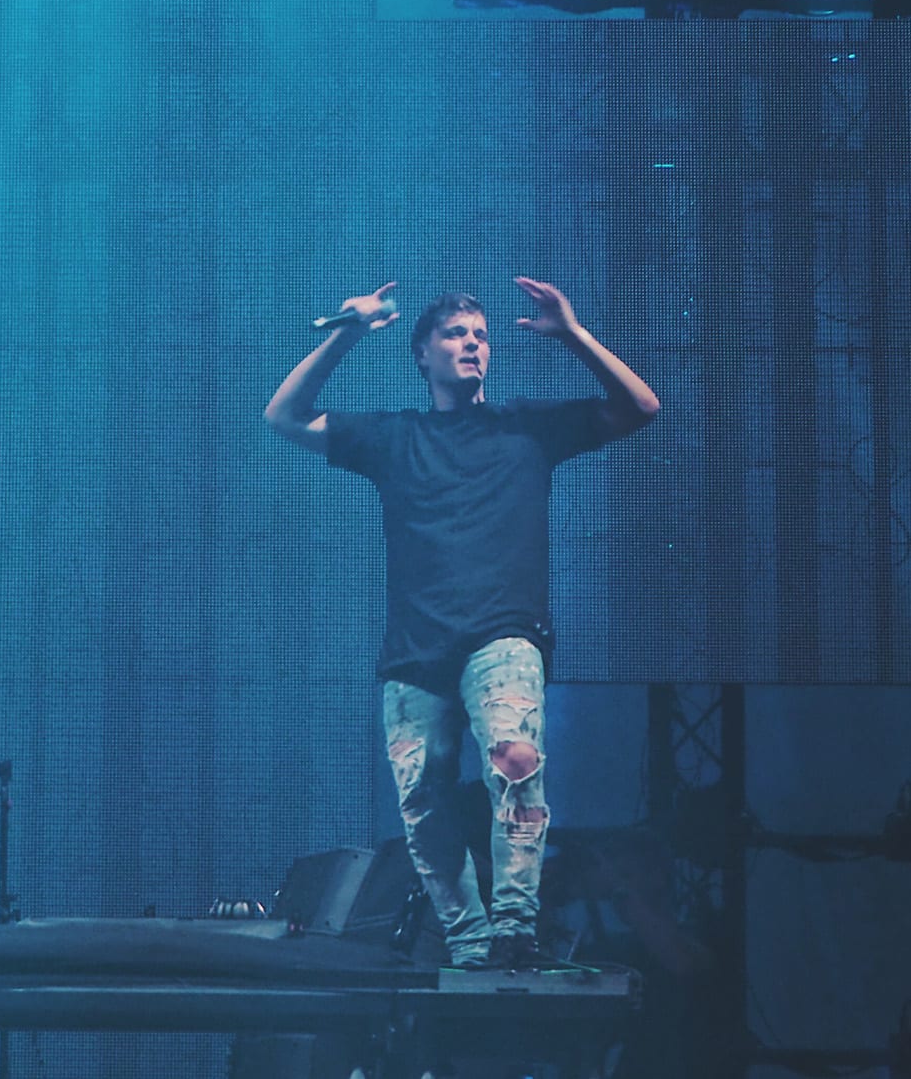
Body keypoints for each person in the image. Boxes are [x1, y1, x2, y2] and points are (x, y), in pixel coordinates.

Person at [264, 278, 659, 968]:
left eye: (481, 335)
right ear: (423, 354)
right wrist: (348, 332)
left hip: (503, 633)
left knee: (514, 763)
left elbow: (641, 407)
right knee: (422, 802)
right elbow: (284, 416)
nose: (473, 343)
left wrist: (572, 334)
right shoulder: (395, 436)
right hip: (415, 650)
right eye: (456, 334)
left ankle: (515, 929)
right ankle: (472, 945)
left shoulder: (525, 427)